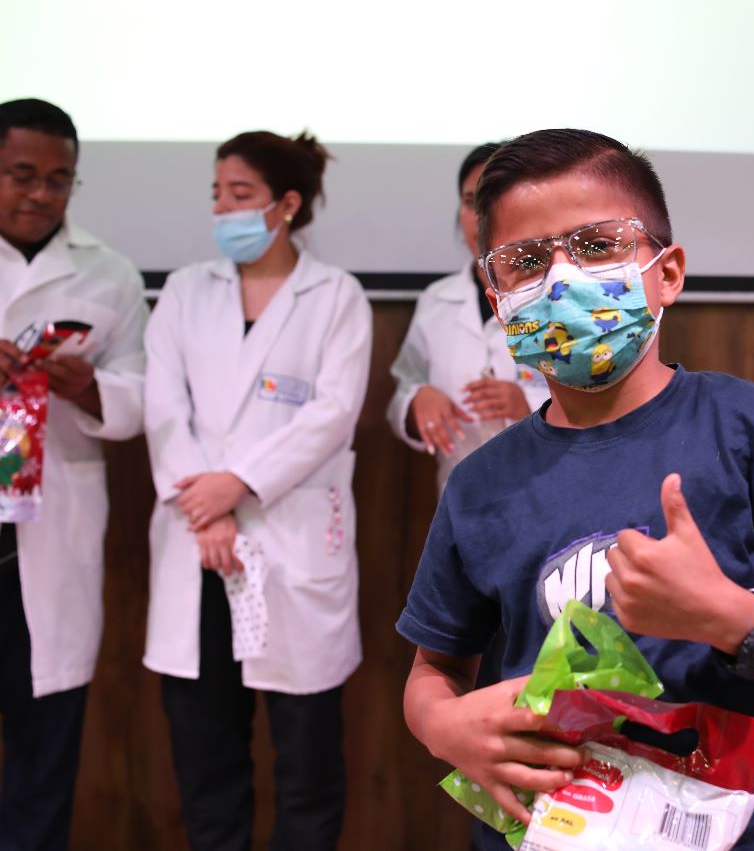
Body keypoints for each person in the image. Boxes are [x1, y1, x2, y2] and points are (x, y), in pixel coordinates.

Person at [397, 128, 754, 850]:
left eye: (596, 245)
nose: (561, 280)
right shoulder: (481, 484)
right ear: (499, 301)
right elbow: (432, 670)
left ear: (668, 271)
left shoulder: (752, 430)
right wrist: (441, 724)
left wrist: (731, 616)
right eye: (526, 263)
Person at [143, 130, 372, 851]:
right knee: (207, 757)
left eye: (239, 195)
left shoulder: (335, 297)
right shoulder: (185, 291)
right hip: (198, 544)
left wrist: (235, 485)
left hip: (290, 542)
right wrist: (203, 506)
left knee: (306, 762)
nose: (223, 208)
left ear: (287, 204)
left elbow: (332, 413)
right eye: (217, 193)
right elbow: (161, 407)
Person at [0, 98, 147, 851]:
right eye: (22, 175)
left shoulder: (109, 273)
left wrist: (86, 385)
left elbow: (137, 399)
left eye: (59, 179)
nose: (40, 194)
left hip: (42, 539)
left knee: (44, 746)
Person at [388, 142, 549, 493]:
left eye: (494, 200)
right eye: (469, 201)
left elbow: (599, 405)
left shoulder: (557, 295)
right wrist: (418, 399)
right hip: (459, 495)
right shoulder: (436, 301)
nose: (480, 215)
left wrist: (530, 408)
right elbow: (403, 388)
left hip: (546, 488)